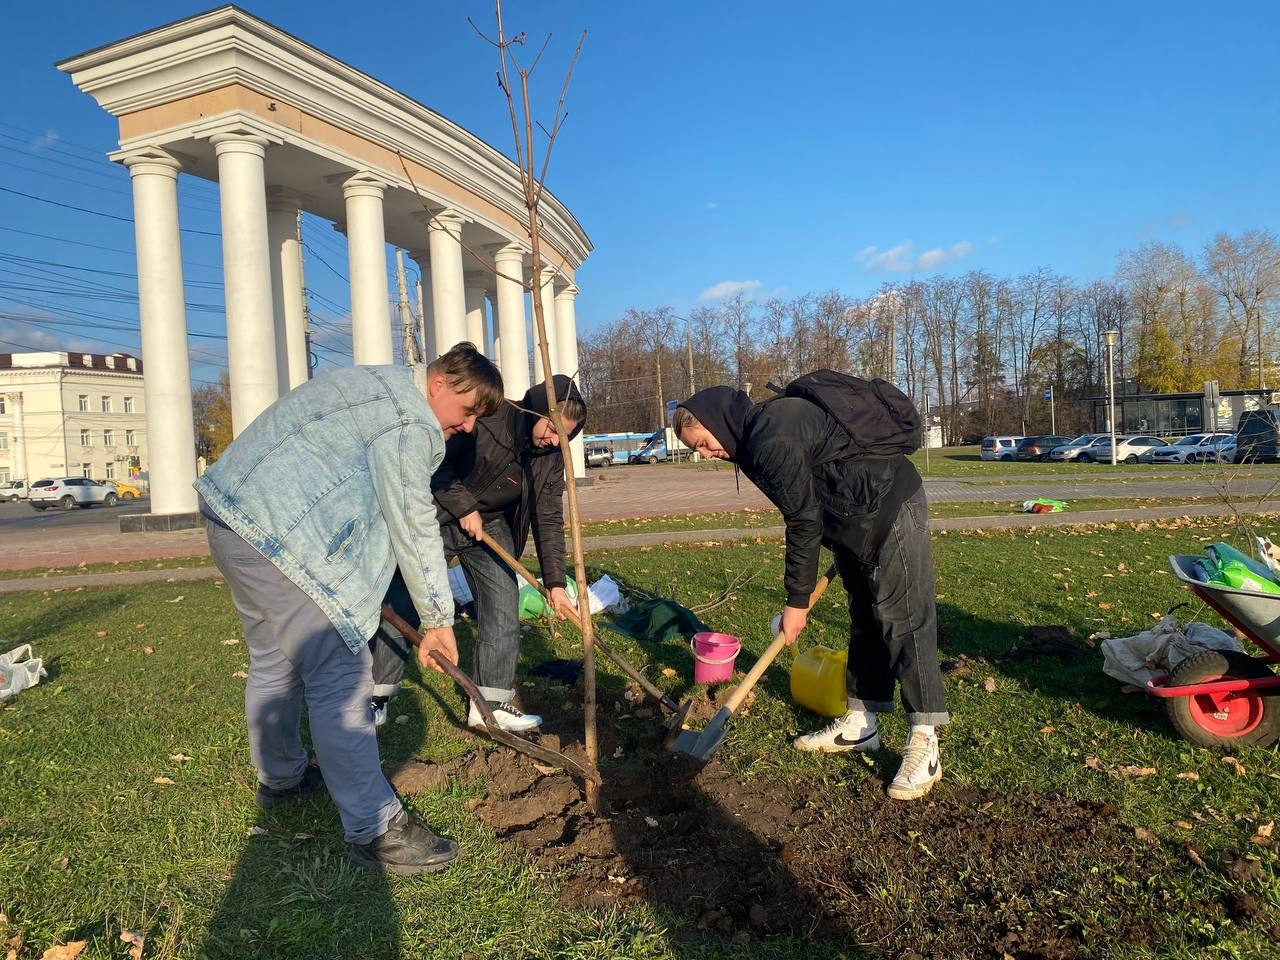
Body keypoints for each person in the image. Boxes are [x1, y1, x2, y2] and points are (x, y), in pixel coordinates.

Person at [195, 344, 503, 874]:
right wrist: (437, 618)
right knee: (341, 669)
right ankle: (376, 827)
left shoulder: (376, 384)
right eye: (469, 410)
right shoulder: (410, 421)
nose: (470, 427)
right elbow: (410, 518)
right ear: (440, 385)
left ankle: (282, 779)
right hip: (276, 535)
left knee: (274, 658)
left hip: (232, 515)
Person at [674, 383, 949, 800]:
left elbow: (801, 521)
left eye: (705, 444)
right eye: (699, 451)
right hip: (852, 520)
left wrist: (796, 603)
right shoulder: (751, 442)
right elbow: (815, 495)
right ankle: (861, 724)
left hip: (891, 503)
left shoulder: (770, 437)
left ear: (717, 423)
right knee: (865, 621)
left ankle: (925, 740)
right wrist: (843, 544)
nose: (708, 455)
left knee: (903, 618)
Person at [372, 375, 586, 732]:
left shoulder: (551, 457)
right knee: (407, 593)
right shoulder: (488, 419)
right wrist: (463, 505)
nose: (552, 440)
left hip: (493, 528)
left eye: (564, 437)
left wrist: (554, 582)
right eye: (551, 429)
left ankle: (490, 704)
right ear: (535, 410)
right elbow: (435, 463)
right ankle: (376, 694)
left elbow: (547, 516)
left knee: (503, 598)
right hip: (440, 515)